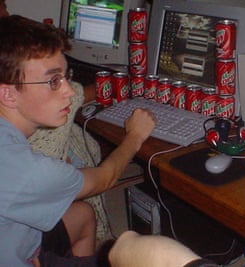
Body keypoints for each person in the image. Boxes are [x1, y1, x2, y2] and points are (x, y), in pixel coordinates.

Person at [0, 15, 156, 266]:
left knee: (83, 213)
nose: (70, 91)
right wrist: (135, 136)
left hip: (18, 241)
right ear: (7, 93)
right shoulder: (30, 172)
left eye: (66, 75)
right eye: (53, 81)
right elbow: (104, 177)